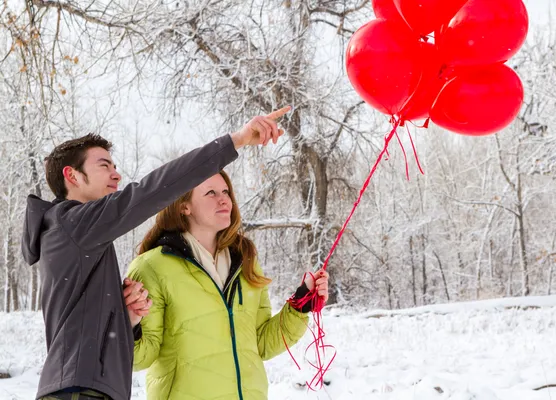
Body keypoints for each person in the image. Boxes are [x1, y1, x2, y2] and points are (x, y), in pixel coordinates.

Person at [21, 106, 291, 400]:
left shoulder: (79, 235)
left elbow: (86, 329)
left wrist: (126, 319)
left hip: (89, 389)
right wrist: (236, 140)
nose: (116, 174)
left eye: (114, 166)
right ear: (72, 175)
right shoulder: (74, 223)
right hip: (77, 392)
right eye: (104, 166)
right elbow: (149, 191)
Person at [127, 170, 329, 400]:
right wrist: (130, 326)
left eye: (226, 192)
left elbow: (261, 343)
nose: (224, 199)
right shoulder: (152, 267)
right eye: (210, 193)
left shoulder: (245, 259)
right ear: (184, 206)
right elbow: (140, 357)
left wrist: (301, 305)